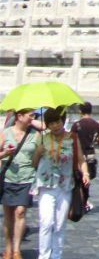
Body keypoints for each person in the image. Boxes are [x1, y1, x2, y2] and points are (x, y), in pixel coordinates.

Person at [32, 106, 90, 259]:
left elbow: (80, 160)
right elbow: (34, 162)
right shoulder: (43, 137)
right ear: (48, 125)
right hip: (46, 185)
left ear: (62, 121)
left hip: (65, 186)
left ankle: (56, 255)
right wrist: (39, 151)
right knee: (46, 222)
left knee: (59, 225)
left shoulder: (72, 138)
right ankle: (43, 256)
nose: (55, 126)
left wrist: (86, 173)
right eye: (51, 123)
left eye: (57, 122)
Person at [1, 108, 39, 259]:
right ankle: (8, 248)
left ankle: (17, 250)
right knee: (9, 214)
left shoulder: (35, 135)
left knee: (20, 212)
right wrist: (5, 154)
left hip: (27, 178)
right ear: (19, 116)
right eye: (30, 115)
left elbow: (39, 156)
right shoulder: (5, 133)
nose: (33, 118)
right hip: (7, 178)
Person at [71, 102, 99, 213]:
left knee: (77, 179)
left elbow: (71, 140)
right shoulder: (97, 125)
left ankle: (77, 202)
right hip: (90, 155)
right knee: (86, 180)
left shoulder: (76, 125)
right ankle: (84, 202)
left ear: (80, 111)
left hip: (78, 155)